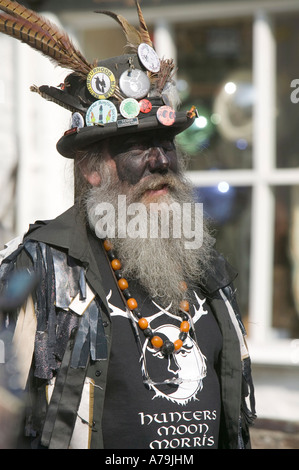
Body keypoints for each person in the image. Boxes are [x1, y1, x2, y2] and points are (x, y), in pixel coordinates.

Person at [0, 0, 256, 449]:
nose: (160, 161)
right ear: (92, 169)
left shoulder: (208, 268)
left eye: (165, 143)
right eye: (137, 146)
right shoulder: (42, 269)